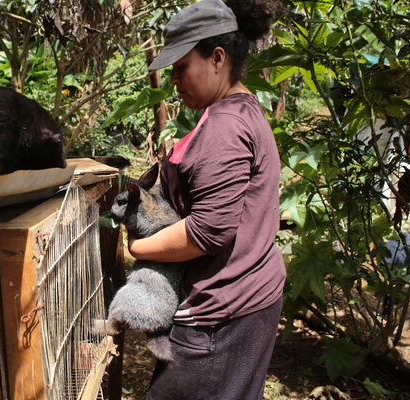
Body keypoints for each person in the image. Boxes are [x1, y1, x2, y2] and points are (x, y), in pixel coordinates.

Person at [127, 0, 286, 398]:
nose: (174, 81)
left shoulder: (225, 126)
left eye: (181, 68)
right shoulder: (241, 110)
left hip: (223, 313)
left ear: (217, 58)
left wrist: (137, 247)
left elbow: (208, 231)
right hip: (247, 298)